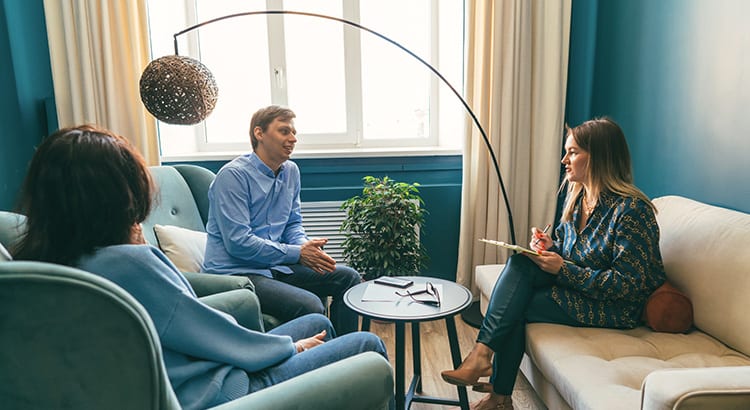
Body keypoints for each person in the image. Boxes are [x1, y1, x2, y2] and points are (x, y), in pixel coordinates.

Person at [13, 125, 390, 410]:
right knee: (367, 346)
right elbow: (207, 332)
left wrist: (299, 248)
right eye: (284, 130)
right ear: (123, 194)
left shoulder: (34, 269)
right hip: (217, 392)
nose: (292, 138)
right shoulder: (131, 263)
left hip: (171, 376)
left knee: (321, 323)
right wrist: (287, 349)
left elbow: (183, 326)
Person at [441, 117, 666, 410]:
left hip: (615, 307)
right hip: (579, 289)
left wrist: (563, 268)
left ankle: (494, 387)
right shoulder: (578, 200)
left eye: (572, 152)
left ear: (598, 157)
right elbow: (573, 250)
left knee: (515, 306)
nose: (564, 160)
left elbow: (628, 285)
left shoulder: (632, 211)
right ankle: (486, 368)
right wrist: (549, 247)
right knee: (521, 263)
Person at [203, 105, 361, 334]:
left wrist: (306, 248)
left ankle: (345, 353)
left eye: (294, 133)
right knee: (311, 305)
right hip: (237, 274)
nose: (293, 139)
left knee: (348, 278)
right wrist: (298, 253)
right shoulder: (233, 176)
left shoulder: (291, 172)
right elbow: (238, 242)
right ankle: (321, 362)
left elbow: (292, 223)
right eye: (284, 131)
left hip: (274, 266)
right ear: (259, 133)